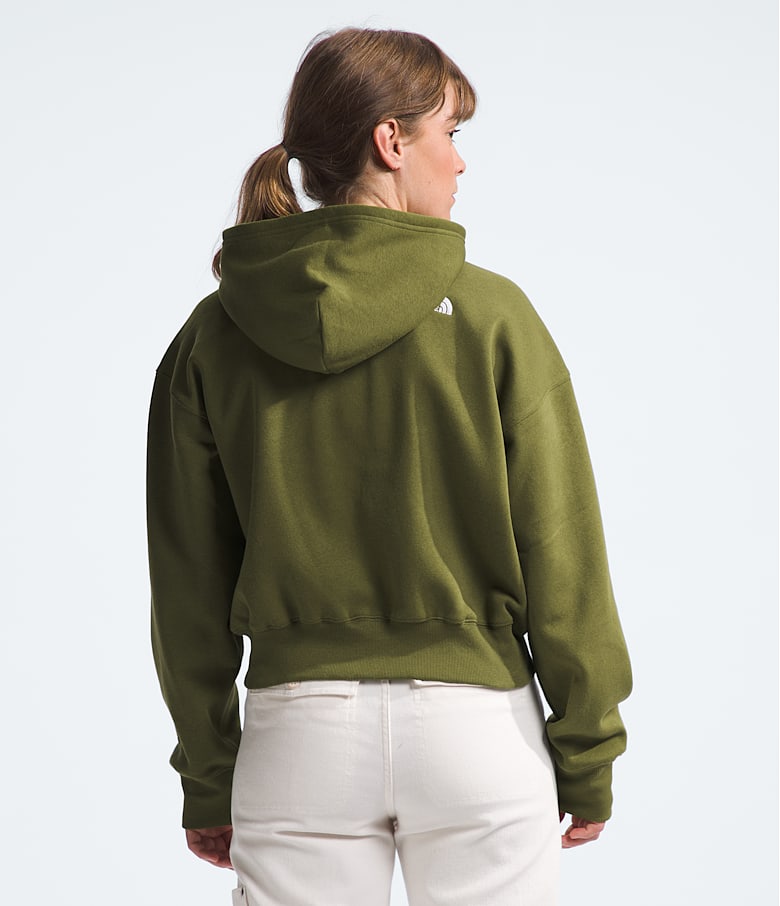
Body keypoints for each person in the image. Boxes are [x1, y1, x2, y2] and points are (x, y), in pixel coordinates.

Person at [146, 26, 632, 906]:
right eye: (451, 132)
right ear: (391, 141)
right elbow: (564, 552)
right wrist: (588, 749)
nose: (461, 161)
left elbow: (187, 583)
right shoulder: (494, 317)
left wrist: (211, 774)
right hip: (479, 735)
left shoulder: (212, 337)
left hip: (297, 743)